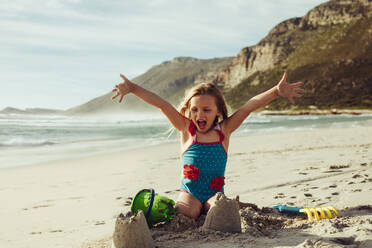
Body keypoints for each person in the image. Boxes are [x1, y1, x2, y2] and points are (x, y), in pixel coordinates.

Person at [112, 72, 303, 219]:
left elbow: (248, 106)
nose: (199, 115)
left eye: (206, 110)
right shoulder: (186, 129)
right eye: (194, 110)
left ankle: (237, 205)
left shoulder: (224, 130)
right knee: (187, 212)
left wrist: (276, 92)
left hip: (215, 194)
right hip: (190, 193)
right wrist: (134, 88)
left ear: (218, 111)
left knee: (218, 209)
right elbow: (163, 105)